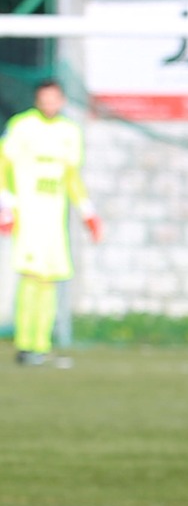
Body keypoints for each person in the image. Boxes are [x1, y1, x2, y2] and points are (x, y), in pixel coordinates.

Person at [1, 79, 102, 366]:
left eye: (53, 99)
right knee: (31, 277)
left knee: (49, 280)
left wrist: (87, 212)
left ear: (61, 101)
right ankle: (25, 344)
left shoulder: (69, 132)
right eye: (44, 99)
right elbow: (3, 165)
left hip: (53, 220)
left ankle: (41, 345)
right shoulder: (22, 126)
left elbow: (71, 176)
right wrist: (6, 206)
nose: (49, 104)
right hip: (27, 215)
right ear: (37, 100)